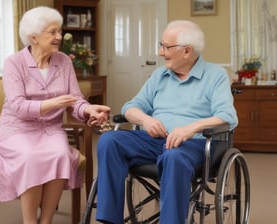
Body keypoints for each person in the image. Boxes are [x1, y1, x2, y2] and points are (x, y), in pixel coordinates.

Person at [96, 20, 238, 224]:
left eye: (165, 46)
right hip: (155, 140)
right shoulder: (159, 75)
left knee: (174, 157)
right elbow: (130, 107)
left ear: (187, 51)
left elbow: (228, 116)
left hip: (196, 144)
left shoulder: (215, 75)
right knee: (110, 140)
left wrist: (190, 129)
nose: (161, 52)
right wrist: (146, 120)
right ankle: (110, 220)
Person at [0, 6, 110, 224]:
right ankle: (29, 221)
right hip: (16, 128)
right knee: (30, 157)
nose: (59, 37)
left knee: (61, 154)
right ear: (33, 37)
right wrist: (52, 103)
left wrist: (88, 109)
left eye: (59, 31)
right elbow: (17, 106)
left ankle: (45, 221)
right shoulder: (14, 63)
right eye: (52, 32)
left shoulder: (63, 61)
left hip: (50, 130)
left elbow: (75, 100)